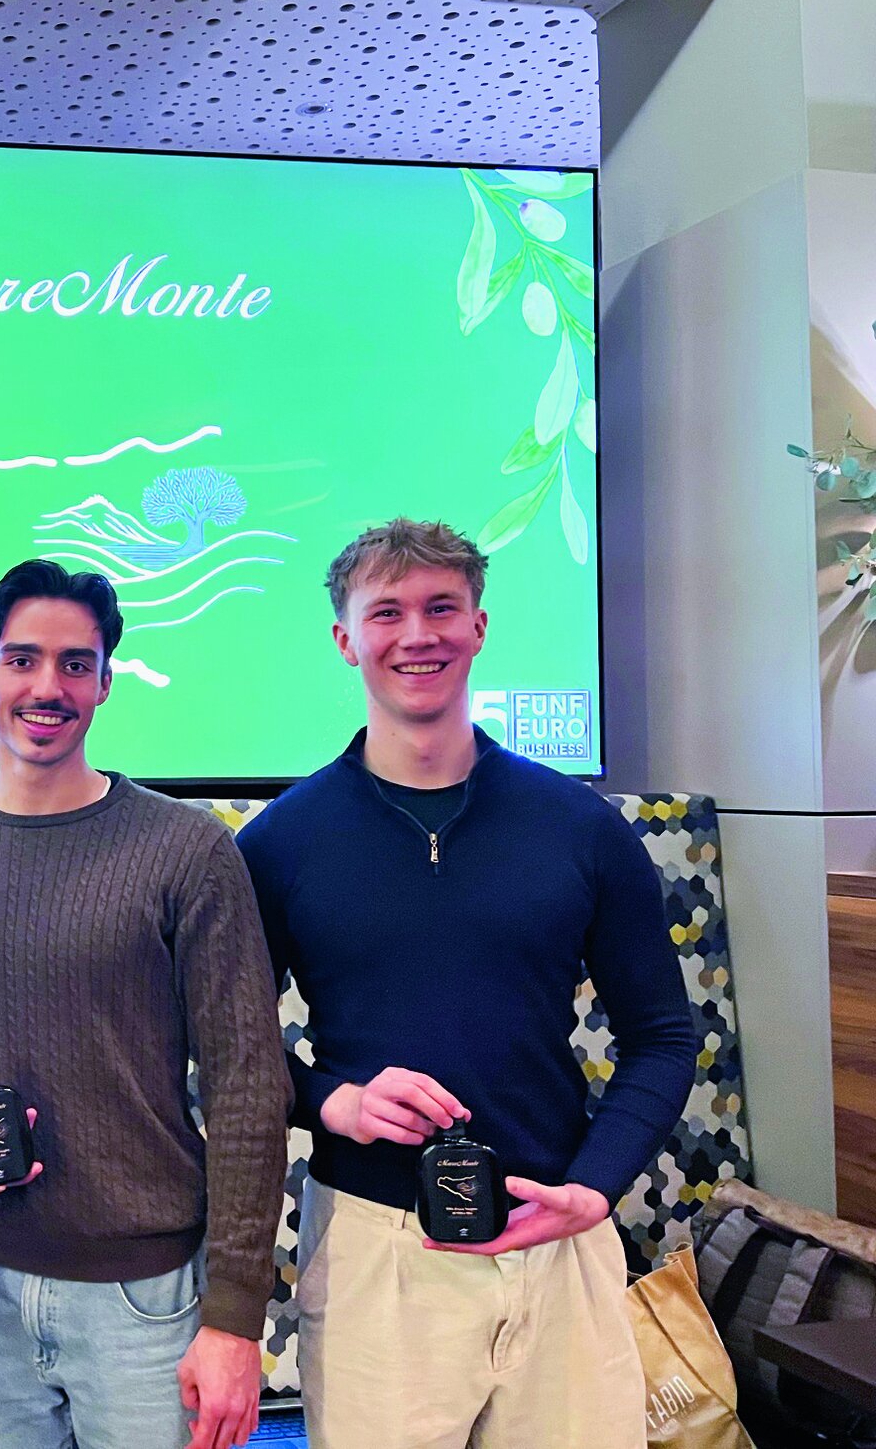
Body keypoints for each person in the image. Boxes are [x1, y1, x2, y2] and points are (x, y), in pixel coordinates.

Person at [236, 519, 698, 1449]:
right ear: (345, 639)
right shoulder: (281, 842)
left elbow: (663, 1035)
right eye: (387, 613)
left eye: (441, 607)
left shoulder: (581, 827)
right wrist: (335, 1103)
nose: (418, 634)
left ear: (478, 628)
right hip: (376, 1248)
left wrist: (595, 1188)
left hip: (557, 1231)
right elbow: (224, 1050)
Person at [0, 558, 291, 1449]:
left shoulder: (187, 850)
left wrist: (234, 1317)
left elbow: (248, 1084)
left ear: (104, 682)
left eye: (75, 664)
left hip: (147, 1297)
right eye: (22, 660)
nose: (47, 687)